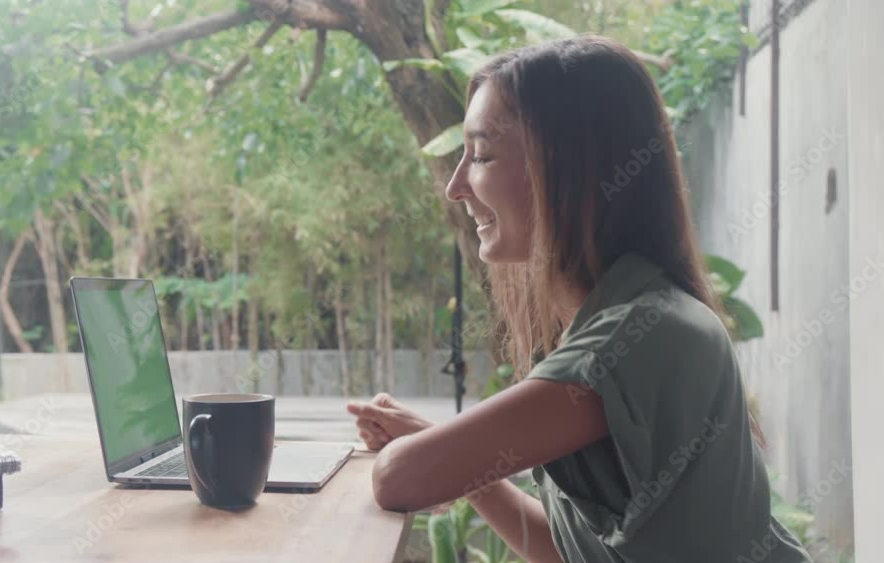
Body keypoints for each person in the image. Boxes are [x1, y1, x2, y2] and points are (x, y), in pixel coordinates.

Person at [346, 35, 812, 563]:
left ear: (567, 168)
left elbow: (396, 479)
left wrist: (441, 455)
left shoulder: (641, 333)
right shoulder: (618, 320)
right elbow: (567, 552)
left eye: (480, 155)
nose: (456, 186)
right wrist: (464, 463)